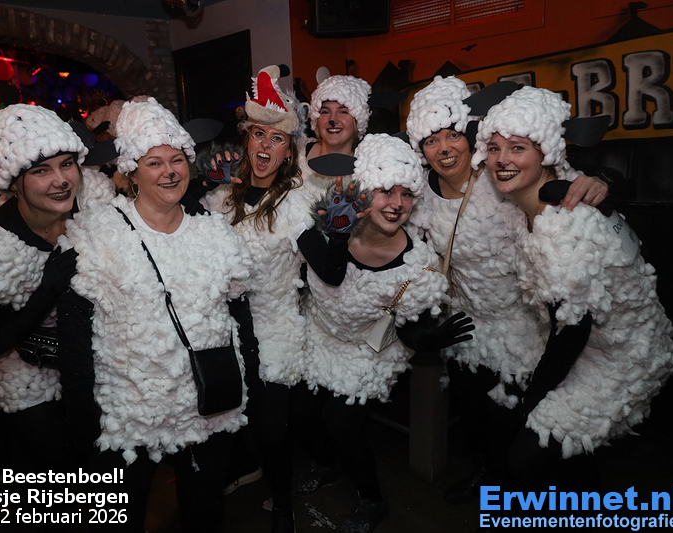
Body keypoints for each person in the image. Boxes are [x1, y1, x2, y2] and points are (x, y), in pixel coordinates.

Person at [404, 76, 611, 502]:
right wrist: (415, 323)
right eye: (430, 141)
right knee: (474, 416)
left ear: (470, 134)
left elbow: (569, 184)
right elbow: (411, 261)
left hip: (525, 326)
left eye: (452, 135)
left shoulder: (502, 175)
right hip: (466, 326)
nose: (444, 149)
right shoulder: (419, 196)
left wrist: (605, 180)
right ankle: (487, 479)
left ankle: (519, 498)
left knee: (514, 424)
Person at [57, 96, 256, 533]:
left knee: (203, 516)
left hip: (207, 407)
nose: (169, 171)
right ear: (131, 172)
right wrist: (83, 416)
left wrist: (250, 385)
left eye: (177, 160)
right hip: (128, 415)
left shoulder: (215, 232)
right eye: (154, 163)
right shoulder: (97, 234)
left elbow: (240, 319)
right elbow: (75, 339)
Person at [474, 85, 673, 487]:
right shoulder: (544, 198)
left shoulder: (561, 225)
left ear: (546, 155)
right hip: (587, 343)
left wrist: (533, 399)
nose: (502, 159)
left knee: (526, 457)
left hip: (623, 359)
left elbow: (573, 331)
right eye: (494, 148)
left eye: (517, 148)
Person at [296, 133, 473, 533]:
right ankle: (326, 463)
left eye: (406, 194)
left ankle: (372, 499)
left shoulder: (416, 264)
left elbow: (410, 330)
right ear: (361, 191)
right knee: (301, 410)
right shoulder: (327, 229)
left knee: (342, 421)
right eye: (385, 191)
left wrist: (428, 339)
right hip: (319, 333)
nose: (397, 204)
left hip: (370, 349)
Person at [0, 104, 115, 474]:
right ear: (13, 181)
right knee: (55, 464)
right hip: (23, 366)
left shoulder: (93, 200)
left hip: (88, 349)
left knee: (103, 455)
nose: (62, 180)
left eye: (66, 164)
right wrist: (48, 289)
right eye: (41, 170)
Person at [200, 65, 313, 533]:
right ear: (247, 139)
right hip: (226, 329)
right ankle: (242, 470)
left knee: (271, 428)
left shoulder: (296, 205)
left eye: (277, 139)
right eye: (258, 135)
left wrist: (339, 230)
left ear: (289, 150)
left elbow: (328, 271)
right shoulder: (220, 199)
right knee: (228, 418)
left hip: (274, 329)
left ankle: (283, 505)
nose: (265, 146)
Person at [300, 74, 371, 193]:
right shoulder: (296, 156)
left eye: (343, 112)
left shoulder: (368, 169)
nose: (332, 120)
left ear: (357, 121)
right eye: (325, 112)